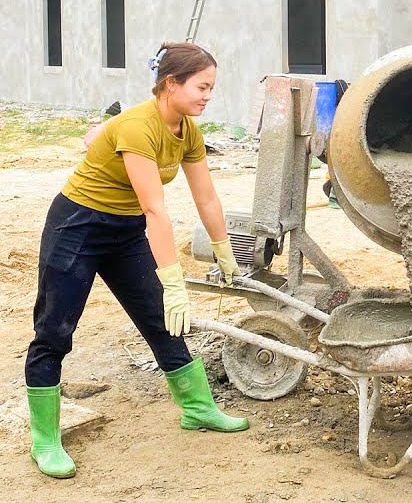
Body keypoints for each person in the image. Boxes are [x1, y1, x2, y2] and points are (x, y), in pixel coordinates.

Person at [24, 42, 249, 479]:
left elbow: (206, 196)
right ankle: (45, 439)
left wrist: (225, 249)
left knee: (162, 317)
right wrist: (175, 281)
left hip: (124, 231)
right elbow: (155, 209)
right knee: (54, 329)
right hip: (78, 226)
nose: (209, 95)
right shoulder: (137, 127)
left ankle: (198, 408)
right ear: (172, 84)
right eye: (202, 87)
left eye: (211, 88)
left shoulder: (188, 130)